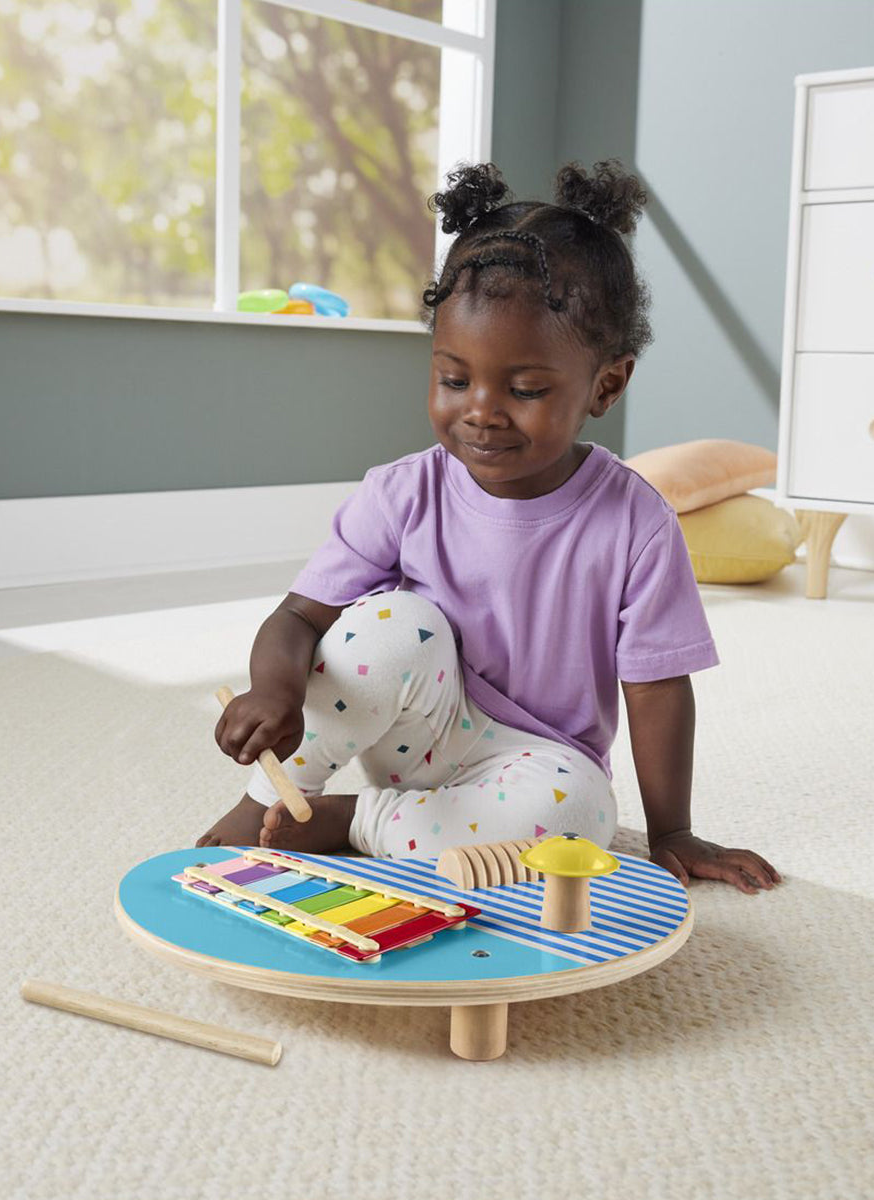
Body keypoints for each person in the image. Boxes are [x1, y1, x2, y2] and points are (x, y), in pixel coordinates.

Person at [200, 160, 780, 895]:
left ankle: (351, 822)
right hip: (417, 727)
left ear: (607, 384)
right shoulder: (404, 491)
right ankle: (269, 807)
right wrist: (273, 691)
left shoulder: (637, 522)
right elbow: (298, 618)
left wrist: (671, 832)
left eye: (526, 389)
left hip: (535, 762)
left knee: (582, 818)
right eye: (452, 379)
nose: (481, 409)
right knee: (391, 623)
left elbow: (658, 688)